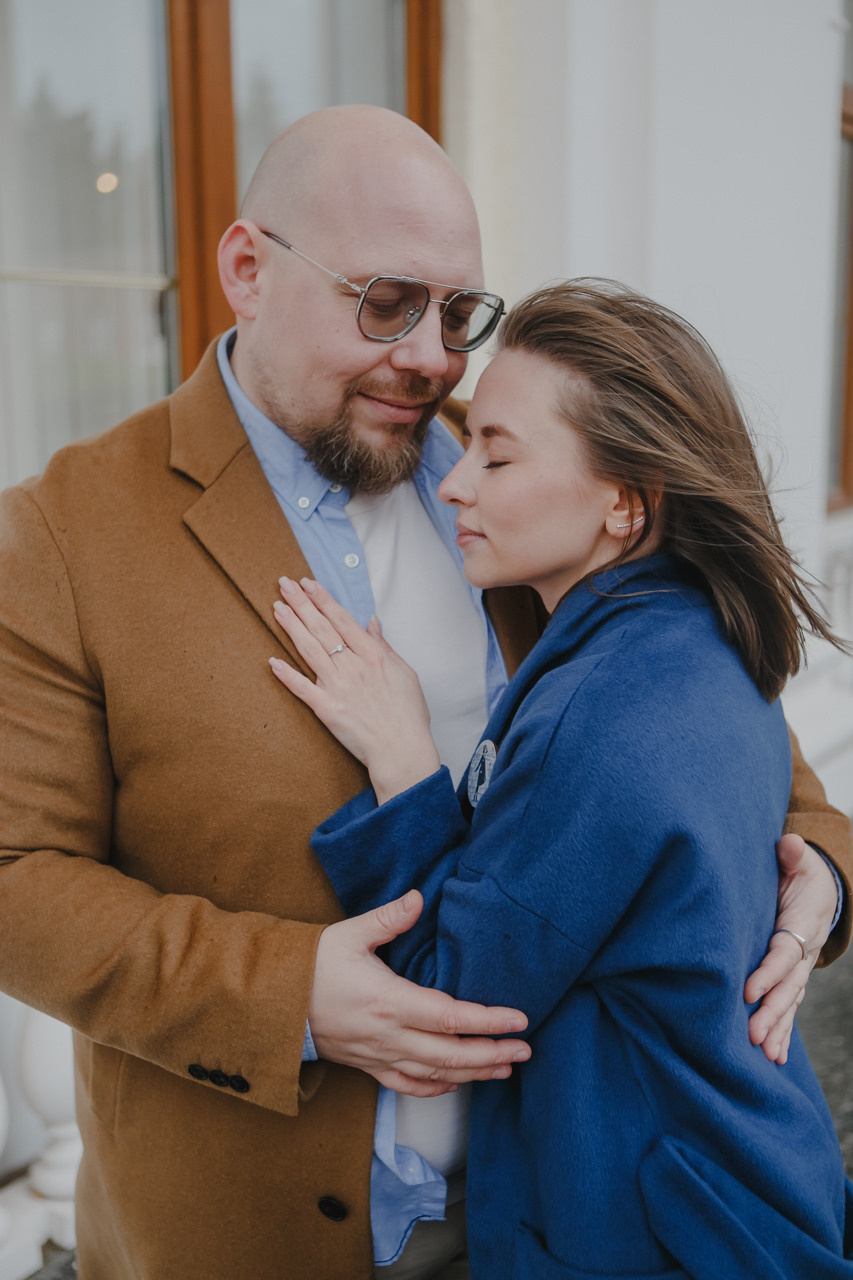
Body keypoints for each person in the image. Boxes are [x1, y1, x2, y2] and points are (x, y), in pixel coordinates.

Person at [0, 107, 848, 1280]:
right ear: (247, 268)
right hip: (245, 1238)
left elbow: (737, 745)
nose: (434, 357)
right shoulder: (63, 528)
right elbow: (15, 879)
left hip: (555, 1215)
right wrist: (289, 994)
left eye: (459, 313)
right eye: (387, 301)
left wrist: (821, 874)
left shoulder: (519, 476)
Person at [269, 279, 853, 1278]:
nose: (454, 483)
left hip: (652, 1231)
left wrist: (403, 758)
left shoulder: (602, 719)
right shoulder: (694, 636)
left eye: (495, 455)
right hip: (737, 1172)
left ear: (626, 500)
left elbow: (453, 996)